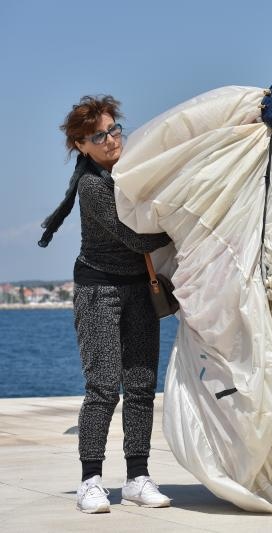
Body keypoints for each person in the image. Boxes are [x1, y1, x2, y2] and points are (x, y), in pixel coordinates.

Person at [38, 96, 172, 513]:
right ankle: (90, 481)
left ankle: (137, 477)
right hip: (99, 289)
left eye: (115, 130)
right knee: (101, 387)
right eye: (100, 135)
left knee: (141, 385)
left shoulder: (134, 170)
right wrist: (184, 228)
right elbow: (134, 238)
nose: (112, 139)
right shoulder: (92, 185)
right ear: (81, 145)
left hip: (139, 288)